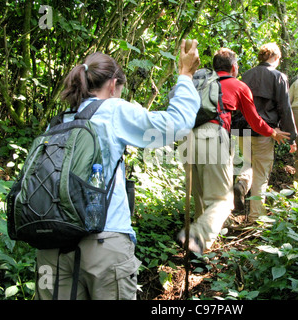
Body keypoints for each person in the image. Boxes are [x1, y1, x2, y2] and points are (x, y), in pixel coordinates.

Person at [35, 40, 201, 300]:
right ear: (113, 86)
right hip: (103, 243)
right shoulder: (112, 110)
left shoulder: (58, 123)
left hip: (50, 248)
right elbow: (175, 125)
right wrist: (185, 76)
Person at [177, 48, 290, 253]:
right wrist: (272, 132)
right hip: (213, 135)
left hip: (187, 137)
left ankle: (196, 244)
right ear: (234, 67)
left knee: (200, 193)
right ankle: (198, 238)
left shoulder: (201, 83)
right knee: (223, 201)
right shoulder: (238, 86)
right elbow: (254, 121)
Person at [233, 42, 297, 223]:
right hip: (264, 131)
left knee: (247, 162)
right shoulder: (278, 77)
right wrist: (291, 136)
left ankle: (243, 183)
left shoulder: (246, 75)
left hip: (242, 130)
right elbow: (285, 108)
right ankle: (255, 219)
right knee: (261, 173)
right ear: (275, 57)